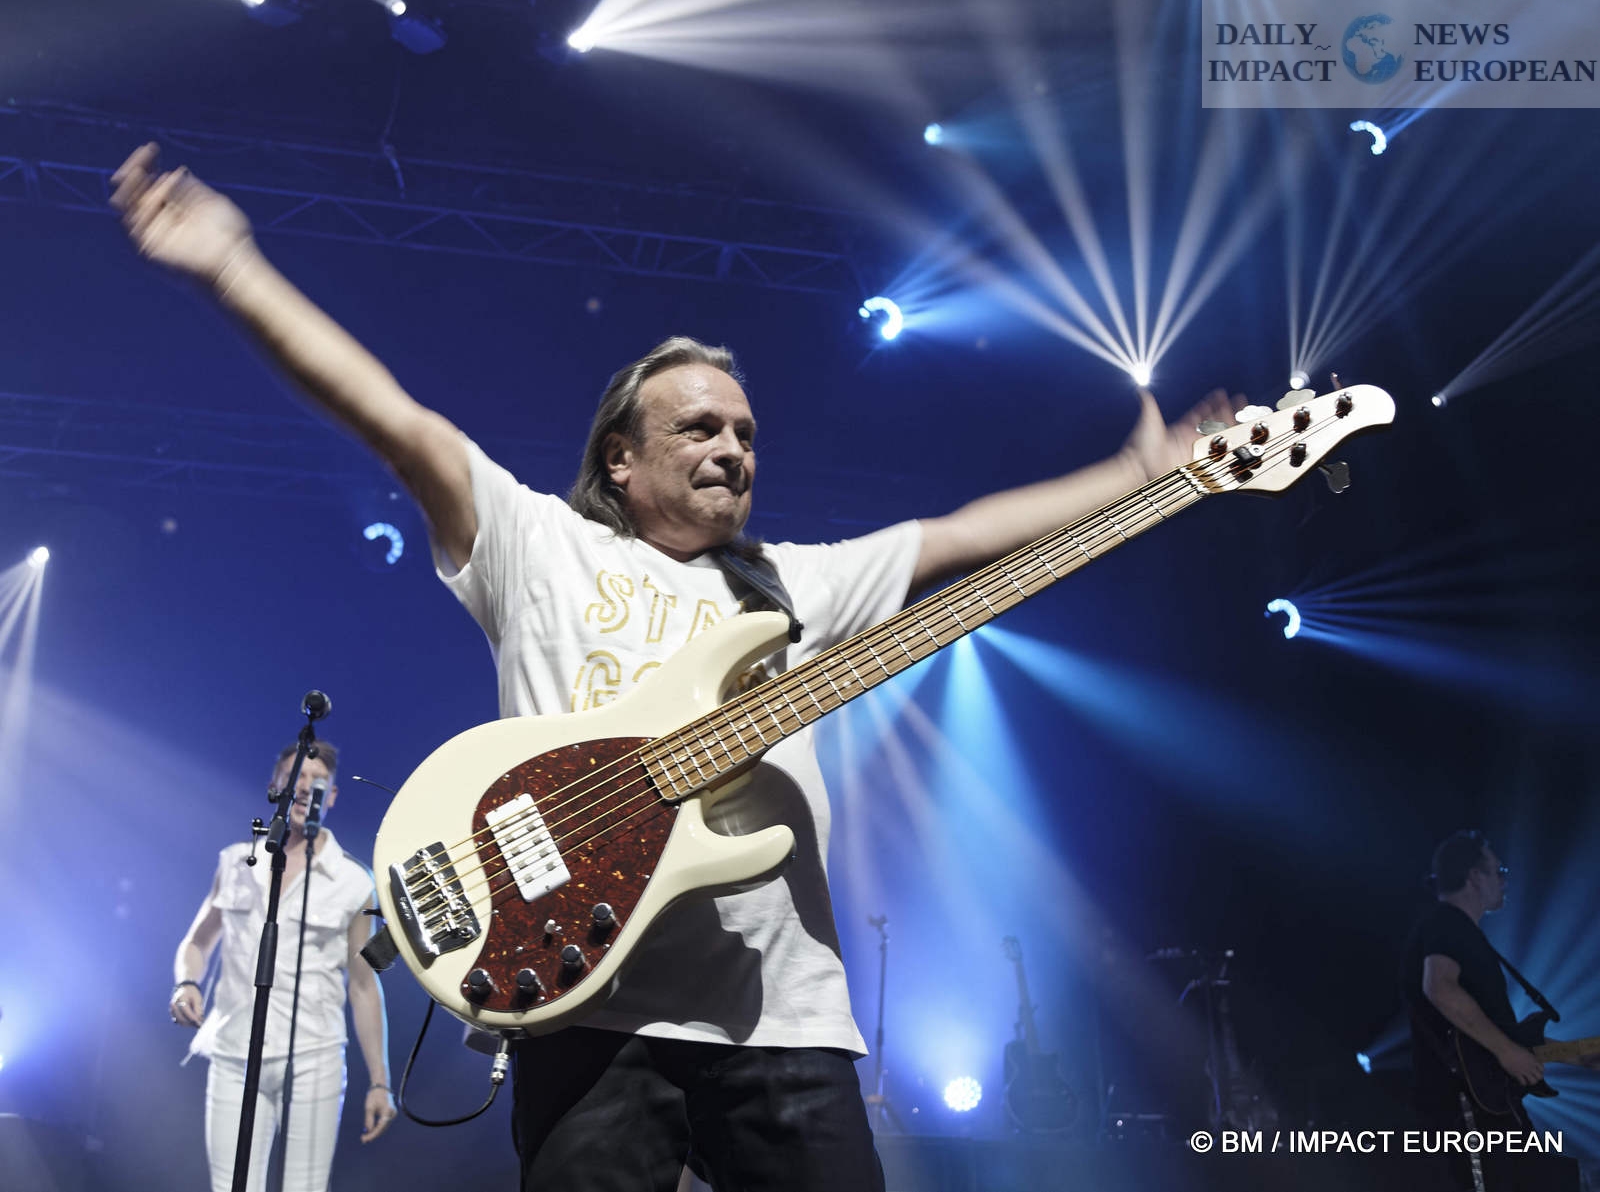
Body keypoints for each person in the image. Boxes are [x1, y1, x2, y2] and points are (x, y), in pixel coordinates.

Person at [116, 142, 1233, 1192]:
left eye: (745, 435)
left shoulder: (791, 583)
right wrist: (233, 268)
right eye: (700, 428)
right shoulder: (540, 545)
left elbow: (960, 539)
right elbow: (393, 420)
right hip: (584, 1005)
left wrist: (1140, 477)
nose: (733, 449)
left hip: (782, 1022)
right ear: (622, 456)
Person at [171, 740, 398, 1192]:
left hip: (314, 1058)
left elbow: (363, 985)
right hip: (235, 1055)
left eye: (318, 782)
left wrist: (380, 1082)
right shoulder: (236, 862)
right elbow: (196, 941)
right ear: (276, 784)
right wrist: (186, 983)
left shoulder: (354, 881)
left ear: (332, 797)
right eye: (297, 778)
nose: (305, 788)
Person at [1401, 830, 1598, 1190]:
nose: (1505, 881)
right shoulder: (1447, 923)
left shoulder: (1463, 934)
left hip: (1492, 1107)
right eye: (1499, 871)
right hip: (1467, 1110)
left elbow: (1501, 1039)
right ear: (1475, 877)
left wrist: (1580, 1054)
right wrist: (1507, 1051)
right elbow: (1439, 987)